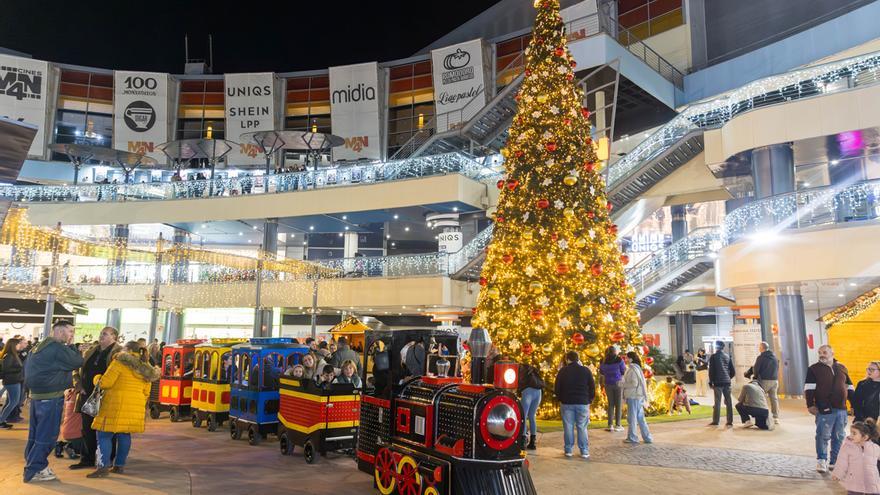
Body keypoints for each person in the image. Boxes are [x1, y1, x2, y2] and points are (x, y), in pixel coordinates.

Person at [87, 341, 160, 478]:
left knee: (104, 434)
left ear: (127, 350)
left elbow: (105, 383)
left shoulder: (119, 362)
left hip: (114, 405)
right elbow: (146, 391)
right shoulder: (147, 368)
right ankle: (119, 465)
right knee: (125, 435)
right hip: (135, 407)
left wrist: (96, 378)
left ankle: (103, 467)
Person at [23, 320, 84, 483]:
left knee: (35, 436)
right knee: (47, 436)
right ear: (60, 331)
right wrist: (72, 347)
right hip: (50, 398)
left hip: (37, 396)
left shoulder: (39, 346)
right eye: (70, 331)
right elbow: (77, 362)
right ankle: (34, 470)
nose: (72, 335)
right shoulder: (56, 347)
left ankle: (34, 465)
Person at [70, 326, 122, 471]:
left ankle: (106, 460)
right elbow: (78, 369)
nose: (101, 336)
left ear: (114, 337)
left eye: (105, 334)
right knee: (87, 428)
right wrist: (78, 383)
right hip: (87, 395)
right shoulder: (92, 350)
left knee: (106, 430)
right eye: (101, 333)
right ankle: (87, 459)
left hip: (105, 396)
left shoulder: (118, 353)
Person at [806, 344, 854, 473]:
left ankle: (835, 461)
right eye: (820, 352)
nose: (822, 354)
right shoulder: (813, 369)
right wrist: (810, 405)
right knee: (823, 435)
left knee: (838, 436)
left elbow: (849, 387)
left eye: (825, 352)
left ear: (832, 353)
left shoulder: (842, 368)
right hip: (824, 408)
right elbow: (809, 388)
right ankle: (822, 460)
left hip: (842, 409)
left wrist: (853, 404)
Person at [554, 350, 594, 458]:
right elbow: (592, 386)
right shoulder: (586, 370)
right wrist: (590, 399)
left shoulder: (563, 371)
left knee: (568, 426)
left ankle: (568, 450)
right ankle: (584, 450)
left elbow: (557, 387)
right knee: (582, 427)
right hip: (582, 402)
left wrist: (560, 398)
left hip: (567, 402)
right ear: (578, 359)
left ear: (567, 359)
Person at [832, 419, 880, 494]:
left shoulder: (875, 447)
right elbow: (842, 461)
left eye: (854, 433)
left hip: (872, 482)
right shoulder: (847, 447)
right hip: (854, 483)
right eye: (851, 432)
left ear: (865, 437)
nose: (851, 435)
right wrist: (838, 474)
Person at [622, 351, 653, 444]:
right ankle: (647, 437)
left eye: (627, 358)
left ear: (631, 359)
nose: (625, 360)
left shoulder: (632, 369)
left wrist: (622, 384)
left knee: (632, 418)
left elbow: (634, 383)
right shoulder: (636, 368)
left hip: (633, 396)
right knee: (640, 418)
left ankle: (632, 437)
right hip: (637, 396)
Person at [708, 340, 735, 427]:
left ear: (716, 347)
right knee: (729, 402)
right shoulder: (727, 356)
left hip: (718, 382)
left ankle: (716, 421)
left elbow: (711, 371)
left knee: (717, 402)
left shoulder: (713, 357)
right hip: (727, 382)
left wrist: (711, 381)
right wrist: (728, 378)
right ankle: (729, 421)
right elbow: (733, 371)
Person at [518, 361, 545, 449]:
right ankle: (533, 442)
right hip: (538, 392)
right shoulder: (533, 370)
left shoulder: (521, 370)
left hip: (527, 392)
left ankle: (523, 441)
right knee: (532, 416)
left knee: (523, 416)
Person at [599, 346, 625, 432]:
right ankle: (618, 425)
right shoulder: (619, 359)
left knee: (610, 404)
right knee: (618, 404)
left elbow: (601, 372)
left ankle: (610, 425)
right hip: (618, 383)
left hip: (608, 383)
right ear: (615, 351)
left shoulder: (603, 360)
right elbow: (623, 370)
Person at [0, 338, 25, 428]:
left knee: (13, 402)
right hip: (11, 381)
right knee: (13, 402)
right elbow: (6, 369)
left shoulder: (14, 355)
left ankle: (2, 420)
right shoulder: (9, 356)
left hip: (14, 381)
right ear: (13, 345)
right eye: (18, 344)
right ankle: (1, 420)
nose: (20, 345)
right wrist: (19, 369)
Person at [753, 341, 780, 424]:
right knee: (774, 399)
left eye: (759, 347)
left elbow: (756, 369)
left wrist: (755, 377)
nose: (759, 349)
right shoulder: (774, 357)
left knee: (760, 398)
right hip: (775, 380)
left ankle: (764, 416)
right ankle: (776, 417)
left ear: (762, 348)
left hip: (764, 380)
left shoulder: (761, 357)